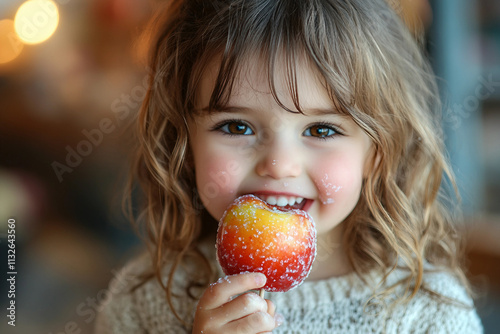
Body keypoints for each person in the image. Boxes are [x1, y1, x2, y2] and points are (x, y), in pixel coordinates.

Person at [95, 0, 483, 333]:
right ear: (183, 141)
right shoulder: (143, 301)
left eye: (321, 129)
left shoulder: (429, 315)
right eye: (237, 126)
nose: (279, 165)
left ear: (378, 151)